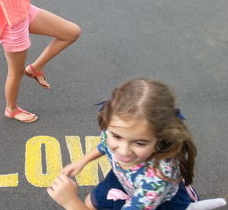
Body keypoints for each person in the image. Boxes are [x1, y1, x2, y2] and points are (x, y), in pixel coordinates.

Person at [48, 78, 201, 209]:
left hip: (154, 201)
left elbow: (149, 189)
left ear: (160, 138)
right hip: (123, 180)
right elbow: (104, 145)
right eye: (116, 137)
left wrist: (70, 202)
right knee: (89, 202)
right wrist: (82, 161)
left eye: (140, 143)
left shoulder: (157, 181)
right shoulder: (117, 131)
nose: (123, 151)